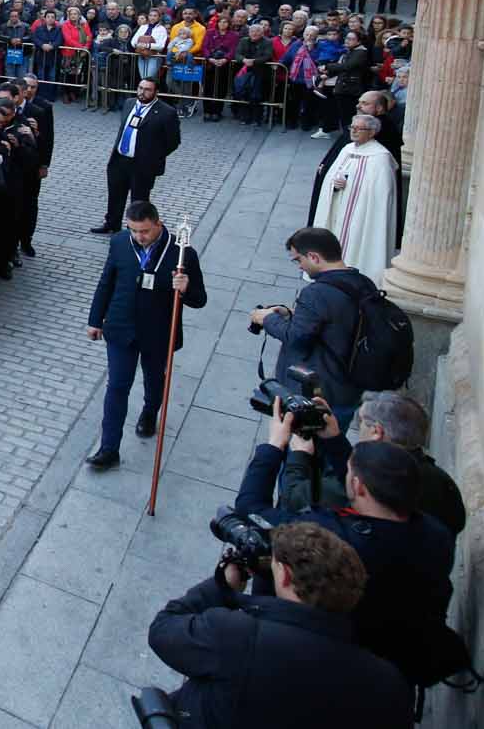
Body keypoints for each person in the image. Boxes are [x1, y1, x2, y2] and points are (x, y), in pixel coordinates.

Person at [233, 413, 459, 686]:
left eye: (350, 473)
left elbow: (251, 511)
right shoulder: (436, 534)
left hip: (342, 660)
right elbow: (365, 487)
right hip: (401, 657)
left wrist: (273, 446)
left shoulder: (336, 539)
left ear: (358, 486)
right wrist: (335, 440)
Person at [145, 522, 413, 728]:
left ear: (284, 576)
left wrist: (220, 586)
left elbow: (162, 630)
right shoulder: (389, 684)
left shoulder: (237, 636)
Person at [83, 200, 206, 470]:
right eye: (134, 231)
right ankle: (108, 448)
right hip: (121, 328)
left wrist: (184, 288)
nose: (139, 237)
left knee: (153, 378)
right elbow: (106, 282)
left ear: (158, 224)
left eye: (145, 231)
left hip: (157, 331)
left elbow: (200, 299)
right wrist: (95, 319)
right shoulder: (119, 242)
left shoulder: (183, 254)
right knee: (117, 387)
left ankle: (150, 412)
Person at [276, 389, 467, 535]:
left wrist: (299, 454)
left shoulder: (368, 486)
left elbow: (294, 496)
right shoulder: (442, 482)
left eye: (361, 423)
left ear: (377, 432)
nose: (359, 430)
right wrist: (334, 439)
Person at [249, 227, 376, 425]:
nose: (299, 266)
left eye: (298, 260)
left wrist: (265, 318)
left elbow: (296, 336)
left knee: (302, 451)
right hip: (348, 387)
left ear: (314, 257)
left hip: (319, 394)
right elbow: (334, 321)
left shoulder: (316, 293)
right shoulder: (363, 282)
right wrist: (291, 314)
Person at [308, 114, 398, 277]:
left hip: (362, 215)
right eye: (352, 127)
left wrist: (351, 188)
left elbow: (380, 194)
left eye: (359, 128)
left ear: (371, 132)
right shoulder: (347, 149)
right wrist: (334, 186)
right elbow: (331, 177)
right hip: (338, 211)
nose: (354, 131)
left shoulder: (380, 158)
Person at [92, 77, 180, 233]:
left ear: (155, 92)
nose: (142, 92)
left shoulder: (167, 113)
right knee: (115, 195)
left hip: (143, 165)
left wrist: (153, 156)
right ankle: (112, 223)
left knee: (138, 201)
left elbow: (173, 142)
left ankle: (135, 230)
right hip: (120, 159)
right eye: (140, 88)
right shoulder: (129, 103)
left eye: (147, 90)